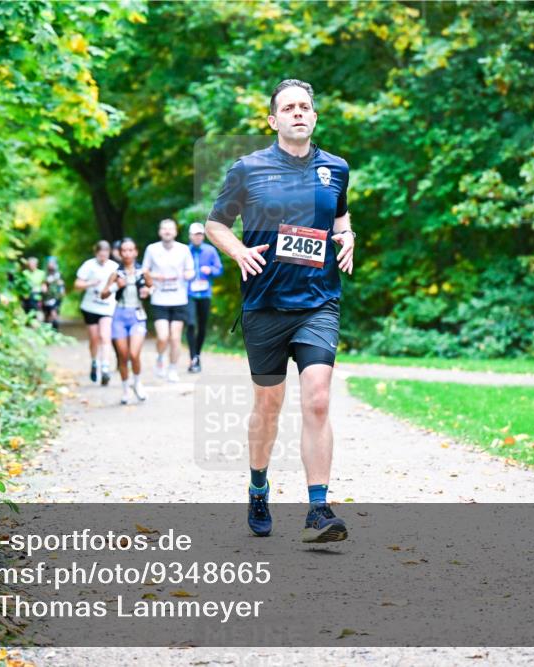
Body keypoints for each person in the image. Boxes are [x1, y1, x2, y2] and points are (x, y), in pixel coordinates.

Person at [204, 79, 356, 543]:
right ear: (273, 120)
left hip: (318, 302)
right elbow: (215, 223)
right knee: (268, 407)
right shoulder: (248, 169)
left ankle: (318, 508)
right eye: (287, 107)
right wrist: (237, 252)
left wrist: (348, 237)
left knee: (318, 397)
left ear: (314, 117)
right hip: (266, 304)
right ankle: (257, 485)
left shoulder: (336, 169)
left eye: (304, 106)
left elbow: (340, 217)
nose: (297, 113)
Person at [142, 218, 194, 383]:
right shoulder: (152, 249)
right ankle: (160, 358)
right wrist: (159, 277)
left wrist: (187, 275)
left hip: (179, 299)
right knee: (163, 336)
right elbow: (144, 271)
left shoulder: (184, 249)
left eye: (170, 229)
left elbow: (191, 271)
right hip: (159, 298)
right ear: (160, 232)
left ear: (175, 232)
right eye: (164, 229)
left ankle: (172, 368)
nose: (167, 231)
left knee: (175, 337)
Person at [101, 238, 152, 404]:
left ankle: (137, 383)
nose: (128, 253)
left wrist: (147, 291)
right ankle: (125, 389)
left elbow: (152, 287)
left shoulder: (143, 272)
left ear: (136, 252)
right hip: (119, 316)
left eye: (131, 250)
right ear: (120, 253)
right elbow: (103, 294)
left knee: (134, 354)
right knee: (123, 356)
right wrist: (117, 286)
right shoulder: (116, 274)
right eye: (124, 250)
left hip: (137, 315)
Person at [74, 241, 118, 385]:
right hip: (90, 307)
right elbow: (77, 285)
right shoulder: (89, 265)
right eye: (100, 255)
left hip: (107, 307)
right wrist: (90, 283)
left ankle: (105, 368)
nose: (103, 257)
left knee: (105, 336)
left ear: (109, 253)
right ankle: (94, 363)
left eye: (105, 254)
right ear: (96, 253)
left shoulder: (114, 266)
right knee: (94, 338)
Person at [185, 222, 223, 373]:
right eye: (195, 234)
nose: (198, 237)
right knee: (191, 324)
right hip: (189, 294)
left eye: (200, 234)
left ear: (203, 236)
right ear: (190, 236)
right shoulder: (184, 251)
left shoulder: (210, 250)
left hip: (205, 293)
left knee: (202, 326)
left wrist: (211, 270)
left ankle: (197, 355)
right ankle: (193, 357)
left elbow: (219, 269)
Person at [42, 256, 66, 331]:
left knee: (54, 313)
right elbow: (43, 284)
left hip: (56, 297)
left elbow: (62, 284)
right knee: (47, 315)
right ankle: (46, 331)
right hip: (46, 297)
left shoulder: (58, 274)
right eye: (50, 263)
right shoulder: (44, 274)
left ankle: (55, 331)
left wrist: (62, 290)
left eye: (53, 263)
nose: (51, 265)